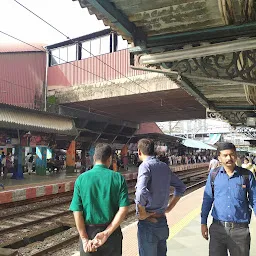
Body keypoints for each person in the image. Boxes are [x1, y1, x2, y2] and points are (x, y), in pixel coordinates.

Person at [69, 143, 130, 256]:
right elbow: (124, 209)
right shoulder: (118, 178)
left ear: (94, 158)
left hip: (89, 235)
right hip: (112, 235)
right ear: (109, 159)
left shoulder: (81, 179)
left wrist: (84, 239)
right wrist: (107, 232)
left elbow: (77, 212)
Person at [201, 142, 256, 256]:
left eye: (231, 155)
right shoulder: (213, 175)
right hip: (217, 228)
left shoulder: (247, 175)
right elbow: (207, 199)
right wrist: (203, 222)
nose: (229, 158)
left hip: (240, 230)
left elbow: (254, 199)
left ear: (236, 156)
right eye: (225, 155)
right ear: (219, 158)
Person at [135, 138, 186, 256]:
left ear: (139, 152)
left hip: (148, 223)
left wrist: (141, 211)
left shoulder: (145, 166)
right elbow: (181, 187)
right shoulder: (164, 166)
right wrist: (169, 208)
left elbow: (140, 192)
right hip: (162, 222)